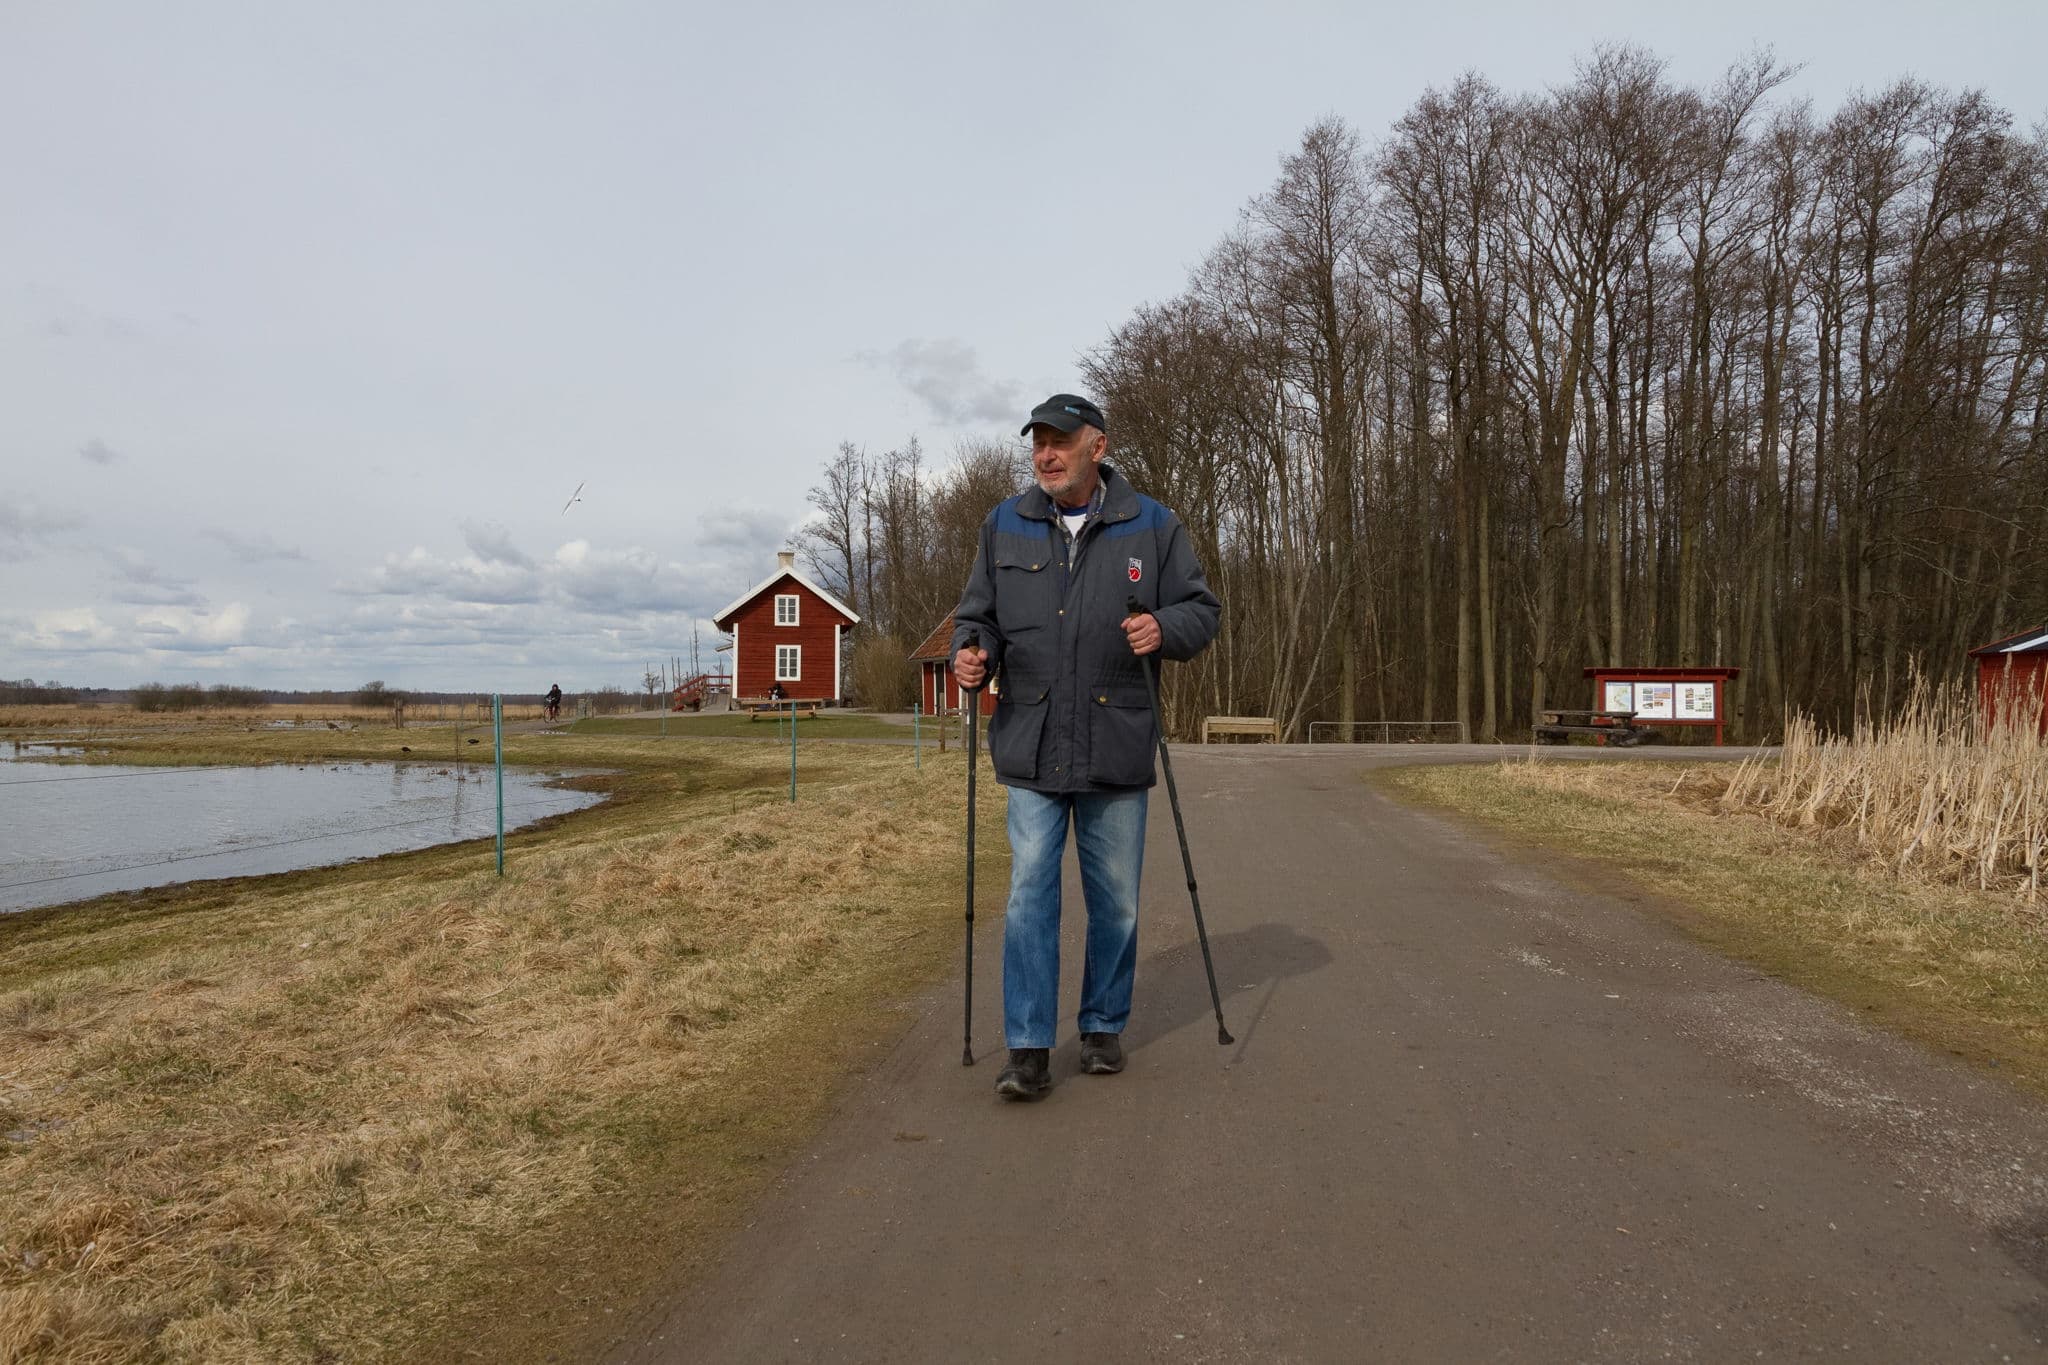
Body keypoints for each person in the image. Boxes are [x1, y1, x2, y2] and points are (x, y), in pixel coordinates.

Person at [952, 393, 1220, 1100]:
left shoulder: (1153, 525)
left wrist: (1163, 627)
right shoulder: (1002, 524)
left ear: (1096, 447)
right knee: (1029, 894)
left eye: (1059, 441)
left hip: (1116, 737)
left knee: (1118, 902)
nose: (1045, 453)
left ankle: (1102, 1024)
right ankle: (1030, 1047)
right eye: (1038, 441)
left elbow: (1202, 611)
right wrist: (969, 653)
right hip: (1032, 740)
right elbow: (976, 616)